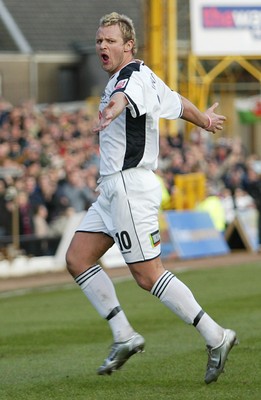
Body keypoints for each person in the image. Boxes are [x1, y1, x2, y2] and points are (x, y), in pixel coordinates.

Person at [66, 12, 238, 384]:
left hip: (128, 186)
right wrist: (205, 122)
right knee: (78, 258)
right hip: (111, 189)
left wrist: (112, 108)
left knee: (147, 276)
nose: (101, 47)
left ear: (129, 45)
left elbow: (124, 99)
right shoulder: (141, 77)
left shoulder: (130, 78)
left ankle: (217, 336)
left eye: (109, 40)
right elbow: (175, 101)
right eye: (99, 41)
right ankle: (124, 335)